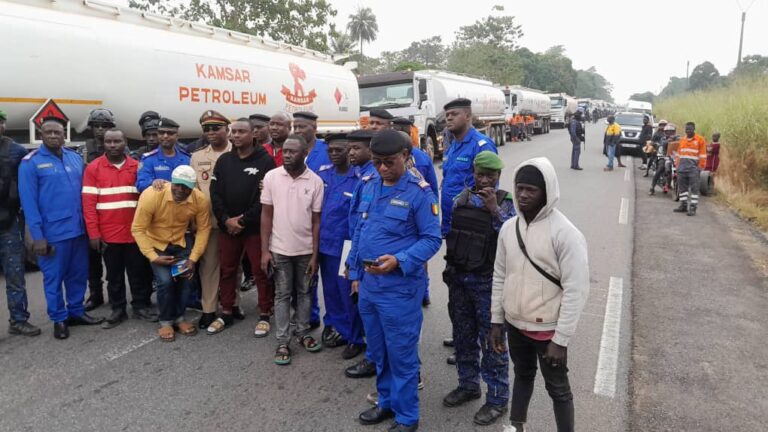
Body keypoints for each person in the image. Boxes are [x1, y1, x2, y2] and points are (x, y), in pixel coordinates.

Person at [349, 129, 441, 432]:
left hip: (399, 290)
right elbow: (359, 231)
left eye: (389, 162)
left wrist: (399, 261)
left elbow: (432, 239)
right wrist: (354, 274)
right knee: (378, 352)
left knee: (401, 355)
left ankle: (406, 417)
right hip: (369, 287)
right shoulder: (370, 184)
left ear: (406, 156)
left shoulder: (419, 192)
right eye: (377, 162)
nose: (383, 169)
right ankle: (386, 402)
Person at [489, 158, 590, 432]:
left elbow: (576, 290)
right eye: (520, 188)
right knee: (522, 375)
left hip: (548, 331)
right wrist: (497, 322)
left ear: (547, 192)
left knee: (558, 390)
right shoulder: (509, 228)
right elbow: (500, 275)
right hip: (515, 325)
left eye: (531, 190)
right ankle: (516, 426)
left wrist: (562, 339)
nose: (523, 195)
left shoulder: (566, 234)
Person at [442, 152, 514, 426]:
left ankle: (497, 399)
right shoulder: (461, 198)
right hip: (460, 279)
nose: (484, 180)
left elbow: (513, 235)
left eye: (490, 175)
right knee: (462, 336)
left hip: (488, 284)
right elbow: (451, 234)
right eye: (480, 174)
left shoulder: (505, 201)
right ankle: (468, 385)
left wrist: (494, 209)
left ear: (498, 176)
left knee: (493, 342)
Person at [19, 118, 104, 339]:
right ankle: (59, 318)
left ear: (63, 134)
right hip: (52, 234)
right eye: (49, 132)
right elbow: (29, 204)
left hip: (78, 230)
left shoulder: (74, 158)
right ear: (41, 134)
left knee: (78, 275)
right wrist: (37, 237)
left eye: (58, 132)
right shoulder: (31, 163)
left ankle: (76, 312)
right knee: (53, 279)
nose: (54, 136)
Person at [82, 129, 156, 328]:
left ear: (125, 142)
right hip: (108, 235)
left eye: (117, 141)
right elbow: (88, 205)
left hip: (136, 233)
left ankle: (140, 306)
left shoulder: (137, 167)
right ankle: (118, 309)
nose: (112, 145)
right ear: (103, 143)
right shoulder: (93, 168)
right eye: (108, 141)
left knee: (138, 272)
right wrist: (93, 233)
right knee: (113, 275)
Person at [260, 134, 324, 365]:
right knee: (282, 295)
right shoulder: (271, 177)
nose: (286, 155)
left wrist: (315, 255)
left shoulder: (315, 181)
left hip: (306, 250)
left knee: (305, 293)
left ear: (304, 153)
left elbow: (316, 221)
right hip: (279, 250)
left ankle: (303, 333)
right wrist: (265, 251)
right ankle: (282, 340)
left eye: (292, 151)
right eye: (284, 151)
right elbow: (266, 215)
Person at [208, 118, 275, 335]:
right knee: (227, 270)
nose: (235, 135)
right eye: (233, 132)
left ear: (252, 135)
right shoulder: (224, 160)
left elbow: (265, 198)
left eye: (241, 132)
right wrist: (226, 220)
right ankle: (227, 310)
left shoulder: (265, 161)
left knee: (260, 271)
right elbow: (215, 193)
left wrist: (243, 220)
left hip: (254, 228)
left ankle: (265, 312)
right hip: (228, 227)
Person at [131, 165, 211, 342]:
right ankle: (166, 320)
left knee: (187, 279)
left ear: (193, 188)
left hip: (180, 243)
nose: (180, 190)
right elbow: (137, 229)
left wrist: (193, 258)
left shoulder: (199, 199)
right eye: (177, 185)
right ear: (171, 182)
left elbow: (204, 229)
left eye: (186, 188)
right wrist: (153, 256)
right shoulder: (152, 195)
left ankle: (179, 317)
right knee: (165, 282)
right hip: (156, 244)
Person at [190, 110, 237, 330]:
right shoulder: (197, 157)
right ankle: (208, 309)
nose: (211, 132)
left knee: (233, 265)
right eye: (207, 129)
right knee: (208, 266)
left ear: (227, 130)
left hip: (234, 220)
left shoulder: (238, 152)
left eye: (216, 128)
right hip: (208, 221)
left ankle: (233, 303)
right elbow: (194, 191)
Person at [316, 134, 363, 355]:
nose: (334, 154)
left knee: (348, 294)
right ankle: (341, 331)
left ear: (349, 151)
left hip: (347, 246)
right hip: (325, 244)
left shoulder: (360, 177)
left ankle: (356, 338)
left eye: (340, 150)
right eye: (331, 150)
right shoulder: (323, 174)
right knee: (331, 292)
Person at [0, 110, 41, 336]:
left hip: (8, 224)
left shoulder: (15, 151)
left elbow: (28, 182)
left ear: (3, 125)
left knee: (15, 275)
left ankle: (18, 320)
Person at [344, 129, 379, 376]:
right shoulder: (362, 176)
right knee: (364, 306)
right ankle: (373, 356)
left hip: (377, 258)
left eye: (357, 148)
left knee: (380, 316)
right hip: (358, 250)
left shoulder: (377, 178)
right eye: (351, 148)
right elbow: (358, 225)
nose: (351, 153)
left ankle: (377, 359)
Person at [441, 98, 498, 237]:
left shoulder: (481, 145)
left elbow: (490, 185)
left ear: (467, 116)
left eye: (454, 114)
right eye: (447, 115)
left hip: (472, 223)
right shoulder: (452, 146)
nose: (449, 118)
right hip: (451, 222)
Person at [293, 111, 328, 329]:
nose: (297, 131)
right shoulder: (293, 151)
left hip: (325, 221)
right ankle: (309, 316)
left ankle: (334, 322)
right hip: (300, 223)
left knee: (332, 279)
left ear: (314, 128)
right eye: (294, 127)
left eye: (302, 127)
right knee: (306, 275)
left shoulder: (327, 151)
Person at [82, 108, 116, 312]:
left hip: (112, 213)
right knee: (92, 260)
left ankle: (116, 296)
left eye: (104, 126)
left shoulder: (121, 149)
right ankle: (95, 295)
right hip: (93, 210)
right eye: (96, 126)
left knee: (113, 261)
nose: (100, 130)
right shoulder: (84, 150)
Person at [136, 118, 191, 192]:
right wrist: (152, 182)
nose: (165, 136)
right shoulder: (148, 159)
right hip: (158, 201)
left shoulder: (186, 159)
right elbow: (140, 185)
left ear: (177, 136)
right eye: (161, 133)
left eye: (170, 133)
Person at [673, 122, 707, 216]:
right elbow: (679, 154)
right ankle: (683, 205)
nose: (688, 131)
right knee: (682, 188)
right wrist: (677, 165)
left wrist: (699, 168)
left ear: (694, 129)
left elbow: (703, 155)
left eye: (690, 129)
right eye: (686, 129)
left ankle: (693, 208)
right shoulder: (683, 140)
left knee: (694, 189)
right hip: (682, 169)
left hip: (693, 170)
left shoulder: (700, 140)